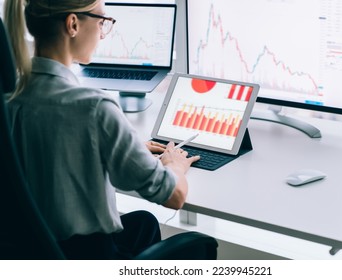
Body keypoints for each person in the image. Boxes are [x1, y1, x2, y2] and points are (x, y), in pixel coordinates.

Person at [3, 0, 200, 259]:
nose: (103, 31)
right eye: (102, 21)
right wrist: (174, 165)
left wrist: (123, 149)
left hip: (37, 252)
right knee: (198, 243)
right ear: (73, 24)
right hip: (89, 257)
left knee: (144, 223)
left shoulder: (11, 100)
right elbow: (173, 196)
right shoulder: (94, 108)